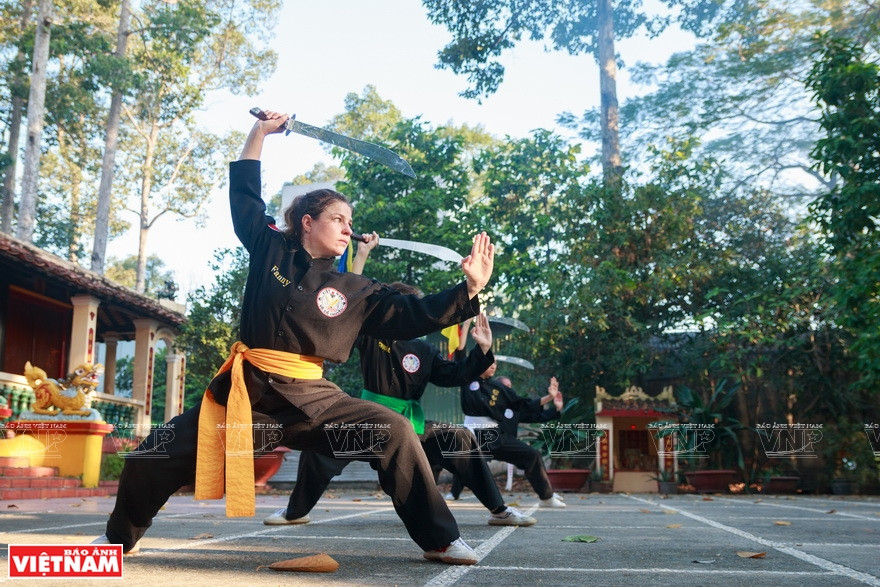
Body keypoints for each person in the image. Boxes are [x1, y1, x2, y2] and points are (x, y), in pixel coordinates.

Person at [91, 109, 495, 566]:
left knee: (395, 431)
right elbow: (244, 194)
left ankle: (439, 540)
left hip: (317, 401)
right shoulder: (270, 249)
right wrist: (259, 132)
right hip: (249, 400)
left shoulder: (357, 290)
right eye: (339, 218)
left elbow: (414, 313)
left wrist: (469, 290)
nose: (348, 228)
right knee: (154, 452)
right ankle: (116, 542)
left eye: (349, 222)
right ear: (307, 220)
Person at [264, 238, 535, 528]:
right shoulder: (371, 334)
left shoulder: (425, 351)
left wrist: (482, 351)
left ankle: (499, 510)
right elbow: (348, 299)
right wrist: (363, 253)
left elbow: (456, 375)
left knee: (459, 437)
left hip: (411, 426)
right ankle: (295, 511)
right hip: (367, 423)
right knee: (319, 448)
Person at [450, 362, 567, 508]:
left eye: (495, 364)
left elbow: (531, 411)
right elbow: (464, 363)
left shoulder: (512, 405)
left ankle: (547, 497)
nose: (508, 390)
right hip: (476, 436)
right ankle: (453, 493)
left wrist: (552, 400)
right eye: (505, 387)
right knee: (466, 463)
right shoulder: (473, 386)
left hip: (500, 440)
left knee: (532, 455)